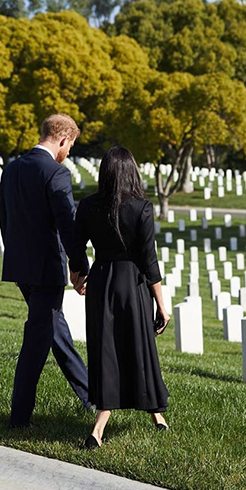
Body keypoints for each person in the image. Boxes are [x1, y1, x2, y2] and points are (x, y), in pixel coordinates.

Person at [70, 146, 170, 448]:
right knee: (139, 348)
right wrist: (162, 306)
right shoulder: (142, 208)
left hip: (101, 281)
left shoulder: (88, 206)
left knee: (106, 350)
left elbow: (75, 246)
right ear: (132, 172)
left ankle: (103, 426)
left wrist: (80, 274)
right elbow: (149, 260)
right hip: (133, 285)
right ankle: (150, 412)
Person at [0, 114, 91, 428]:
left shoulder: (11, 169)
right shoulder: (56, 173)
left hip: (21, 267)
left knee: (56, 331)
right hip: (46, 270)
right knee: (36, 342)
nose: (69, 153)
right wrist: (80, 267)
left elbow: (4, 219)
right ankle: (19, 418)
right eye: (71, 146)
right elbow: (67, 225)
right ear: (63, 139)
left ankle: (91, 396)